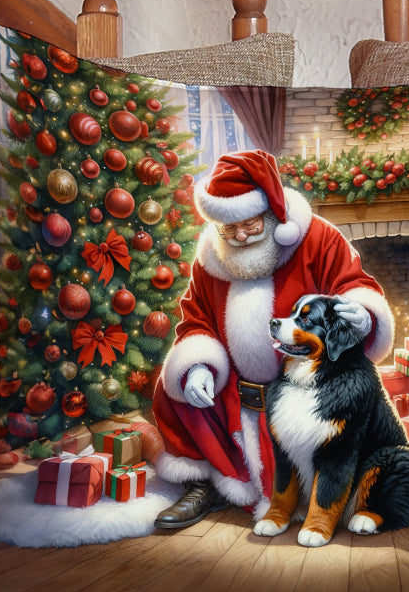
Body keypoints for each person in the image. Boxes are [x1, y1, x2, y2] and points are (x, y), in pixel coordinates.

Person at [152, 148, 394, 527]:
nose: (240, 235)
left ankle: (316, 499)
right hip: (233, 393)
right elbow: (195, 316)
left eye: (250, 224)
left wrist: (363, 314)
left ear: (271, 213)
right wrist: (198, 365)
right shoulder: (211, 257)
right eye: (228, 228)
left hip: (305, 386)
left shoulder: (318, 238)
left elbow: (354, 285)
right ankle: (203, 482)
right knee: (175, 384)